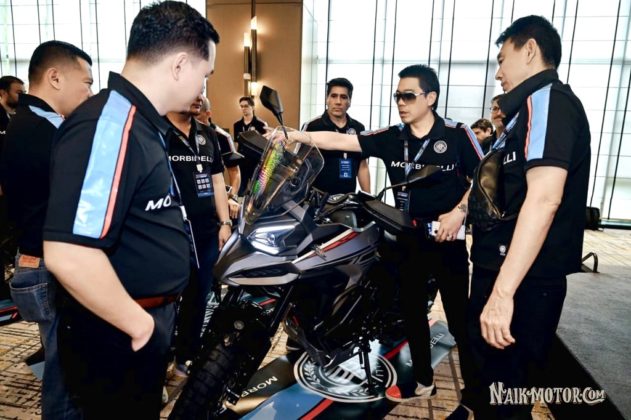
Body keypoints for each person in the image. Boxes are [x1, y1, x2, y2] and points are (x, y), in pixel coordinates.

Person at [42, 2, 219, 418]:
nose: (203, 87)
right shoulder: (111, 124)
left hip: (137, 320)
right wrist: (139, 325)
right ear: (180, 65)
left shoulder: (140, 121)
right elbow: (69, 252)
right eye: (205, 74)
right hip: (119, 329)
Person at [286, 64, 483, 408]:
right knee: (413, 314)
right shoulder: (393, 137)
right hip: (408, 238)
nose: (401, 102)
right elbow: (342, 140)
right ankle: (423, 382)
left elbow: (485, 176)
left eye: (408, 96)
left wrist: (459, 212)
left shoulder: (457, 134)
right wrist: (296, 135)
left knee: (459, 319)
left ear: (430, 98)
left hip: (447, 242)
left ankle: (475, 393)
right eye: (397, 96)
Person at [467, 15, 590, 419]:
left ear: (531, 50)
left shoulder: (548, 100)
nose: (498, 73)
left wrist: (502, 294)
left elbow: (544, 198)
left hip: (524, 284)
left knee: (507, 398)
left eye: (502, 59)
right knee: (492, 391)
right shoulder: (522, 114)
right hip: (507, 273)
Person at [1, 40, 93, 420]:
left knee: (61, 360)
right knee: (66, 373)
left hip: (33, 258)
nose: (89, 93)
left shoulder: (23, 122)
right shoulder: (48, 130)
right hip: (52, 265)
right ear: (55, 77)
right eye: (86, 83)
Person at [166, 94, 231, 376]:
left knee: (198, 296)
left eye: (202, 89)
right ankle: (160, 360)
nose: (200, 97)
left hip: (205, 231)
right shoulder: (157, 131)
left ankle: (185, 357)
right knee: (167, 302)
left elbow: (217, 180)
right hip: (171, 232)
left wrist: (224, 222)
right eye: (193, 89)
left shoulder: (208, 134)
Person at [302, 77, 370, 195]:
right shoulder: (312, 126)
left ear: (349, 101)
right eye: (334, 96)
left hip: (347, 198)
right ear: (327, 99)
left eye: (343, 97)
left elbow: (363, 166)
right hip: (317, 198)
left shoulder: (359, 128)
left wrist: (368, 198)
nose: (338, 102)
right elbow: (300, 165)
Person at [198, 95, 241, 219]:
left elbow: (234, 172)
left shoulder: (222, 137)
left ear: (208, 114)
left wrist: (232, 197)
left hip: (215, 197)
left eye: (197, 116)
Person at [233, 96, 267, 196]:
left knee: (255, 190)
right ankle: (239, 204)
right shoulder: (237, 125)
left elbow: (265, 145)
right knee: (240, 189)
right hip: (242, 161)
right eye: (241, 106)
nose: (243, 109)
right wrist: (235, 160)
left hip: (255, 161)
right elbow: (236, 143)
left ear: (252, 107)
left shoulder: (260, 124)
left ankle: (253, 205)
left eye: (246, 106)